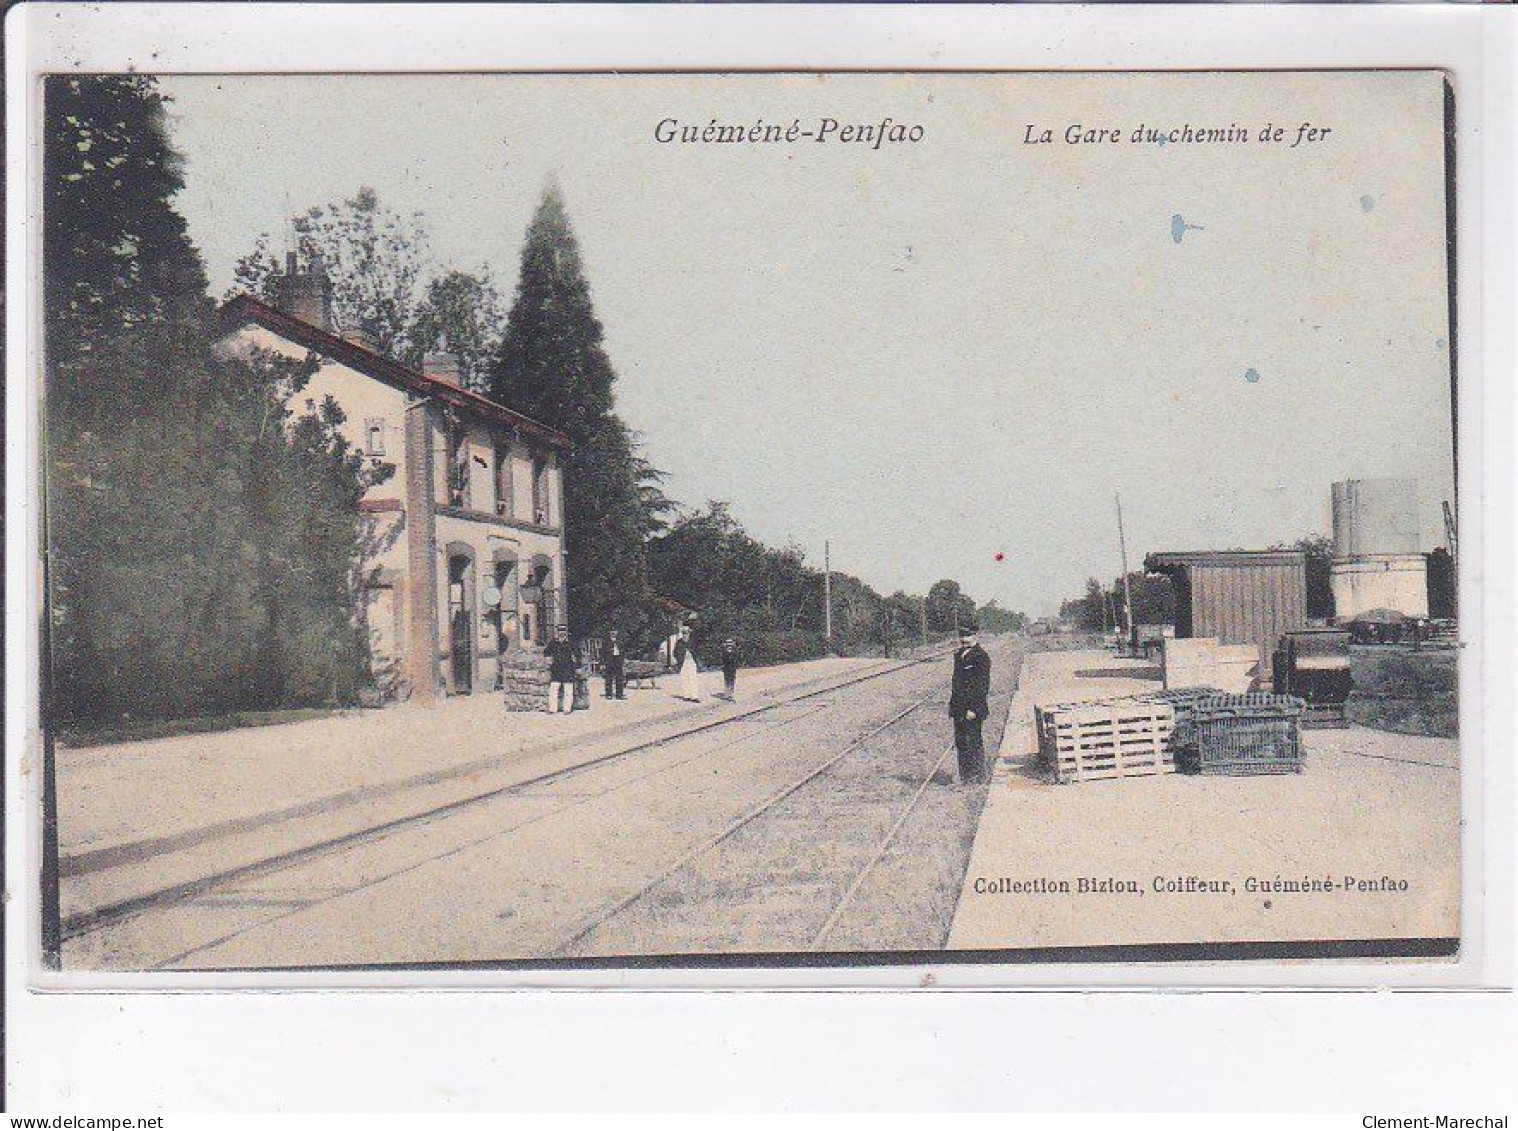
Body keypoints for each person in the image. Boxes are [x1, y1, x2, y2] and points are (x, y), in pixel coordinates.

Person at [949, 624, 992, 783]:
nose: (964, 639)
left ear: (976, 636)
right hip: (959, 708)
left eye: (967, 636)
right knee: (961, 742)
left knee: (973, 741)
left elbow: (982, 686)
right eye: (962, 636)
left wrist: (974, 708)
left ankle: (979, 777)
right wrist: (954, 707)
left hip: (972, 708)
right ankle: (966, 777)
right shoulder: (959, 654)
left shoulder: (981, 656)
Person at [544, 625, 578, 714]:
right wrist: (549, 660)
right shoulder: (553, 642)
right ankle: (552, 709)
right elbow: (547, 652)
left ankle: (567, 709)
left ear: (566, 632)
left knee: (568, 689)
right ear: (557, 632)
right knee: (554, 688)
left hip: (568, 668)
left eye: (563, 630)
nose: (561, 632)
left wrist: (578, 667)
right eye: (560, 630)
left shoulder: (571, 642)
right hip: (556, 668)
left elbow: (577, 654)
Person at [673, 625, 703, 703]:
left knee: (693, 678)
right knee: (684, 678)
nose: (685, 635)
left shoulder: (693, 641)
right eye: (684, 633)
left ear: (689, 633)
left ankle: (694, 696)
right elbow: (675, 652)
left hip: (692, 662)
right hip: (683, 662)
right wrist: (679, 658)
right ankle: (686, 696)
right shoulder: (679, 642)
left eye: (687, 633)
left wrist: (695, 657)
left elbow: (698, 650)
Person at [602, 629, 627, 700]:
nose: (613, 633)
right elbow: (603, 652)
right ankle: (609, 694)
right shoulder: (606, 642)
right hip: (610, 660)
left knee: (619, 678)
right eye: (612, 632)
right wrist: (603, 662)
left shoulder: (620, 641)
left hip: (618, 660)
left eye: (615, 631)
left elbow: (623, 651)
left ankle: (619, 694)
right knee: (609, 678)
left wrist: (623, 660)